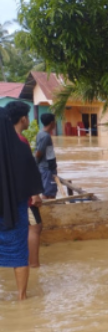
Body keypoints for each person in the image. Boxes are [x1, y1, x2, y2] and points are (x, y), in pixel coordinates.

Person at [0, 106, 43, 300]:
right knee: (18, 252)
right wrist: (34, 194)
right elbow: (30, 176)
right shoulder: (21, 146)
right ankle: (21, 296)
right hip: (15, 208)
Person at [6, 101, 44, 269]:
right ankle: (33, 264)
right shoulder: (20, 141)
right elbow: (26, 170)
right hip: (23, 195)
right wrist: (34, 194)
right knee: (35, 227)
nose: (28, 120)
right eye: (27, 117)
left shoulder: (6, 140)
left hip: (10, 195)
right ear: (22, 119)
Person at [35, 113, 59, 199]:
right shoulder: (46, 136)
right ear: (52, 123)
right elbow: (38, 152)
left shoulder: (41, 134)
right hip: (47, 169)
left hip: (46, 168)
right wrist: (35, 165)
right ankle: (46, 211)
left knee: (49, 191)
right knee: (49, 193)